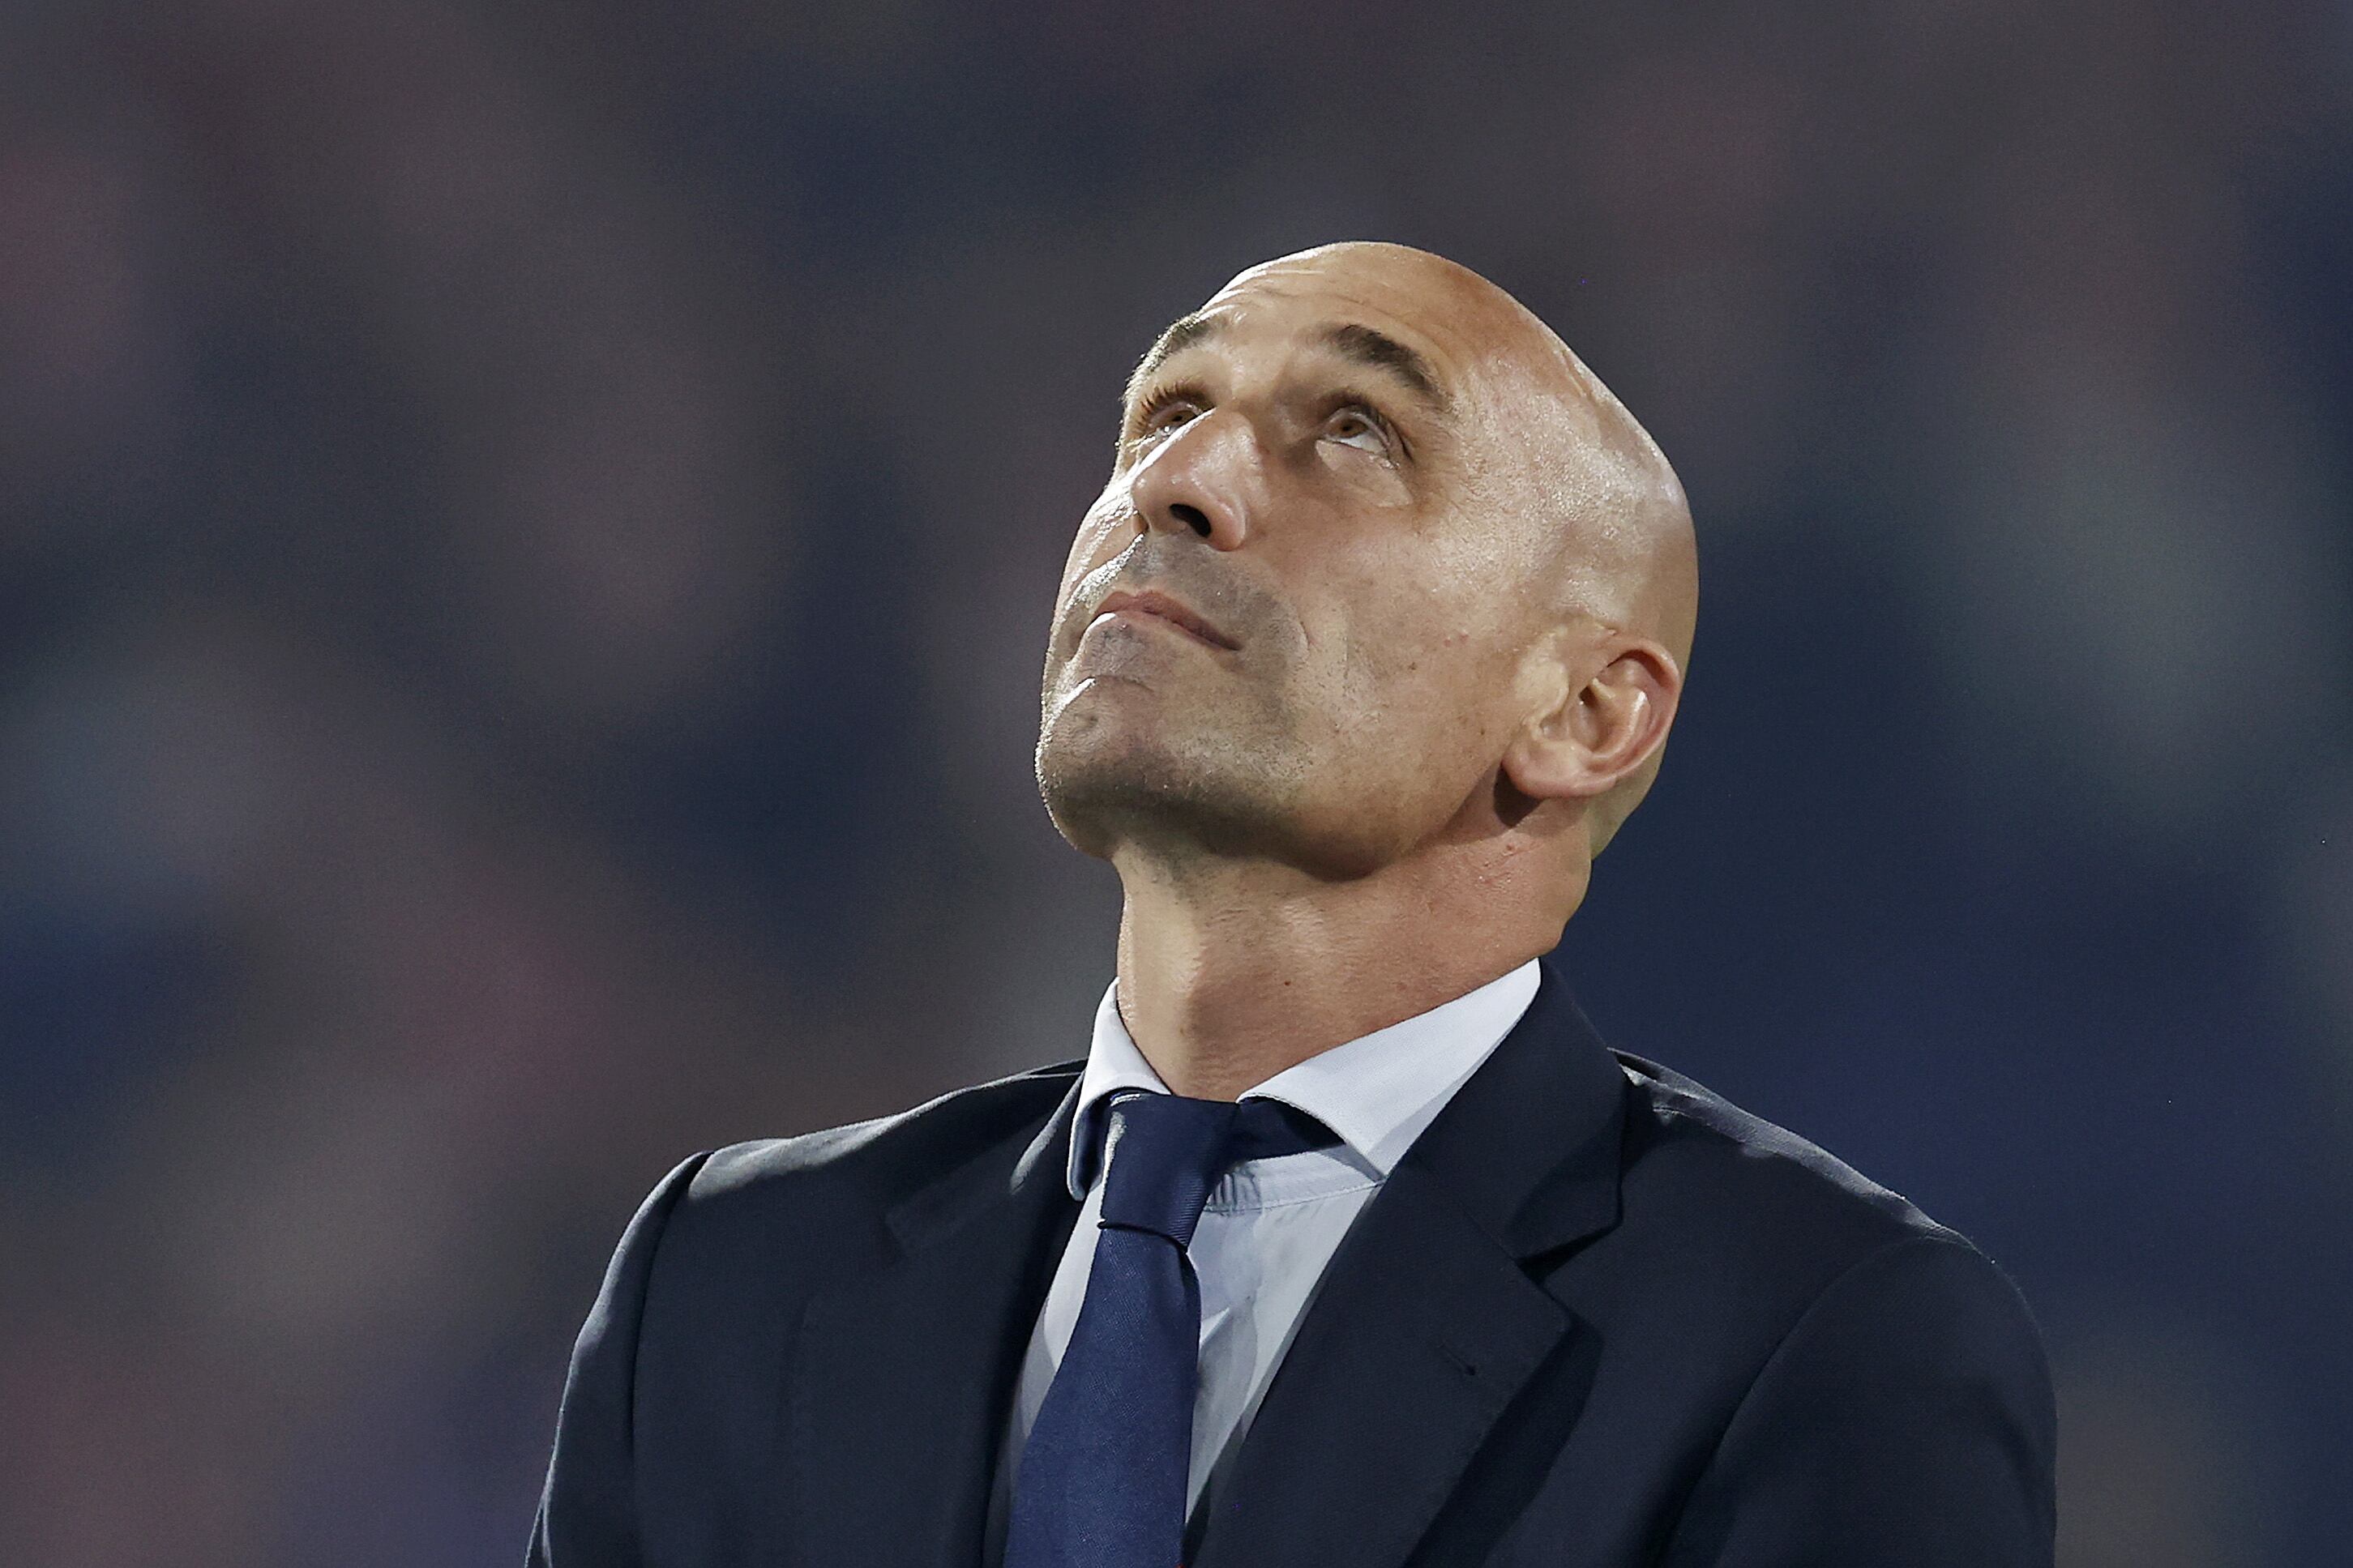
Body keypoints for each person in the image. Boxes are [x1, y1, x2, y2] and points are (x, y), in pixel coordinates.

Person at [528, 241, 2057, 1567]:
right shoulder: (728, 1287)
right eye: (1170, 413)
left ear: (1587, 711)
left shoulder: (1819, 1344)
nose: (1176, 482)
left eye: (1355, 432)